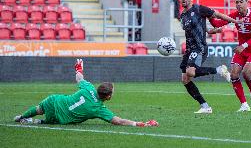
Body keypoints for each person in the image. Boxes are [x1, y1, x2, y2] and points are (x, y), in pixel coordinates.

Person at [14, 59, 158, 127]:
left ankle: (22, 116)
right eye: (112, 92)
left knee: (39, 109)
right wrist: (139, 124)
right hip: (61, 119)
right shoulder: (99, 109)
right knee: (47, 121)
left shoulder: (89, 88)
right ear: (107, 97)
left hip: (54, 101)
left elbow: (79, 78)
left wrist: (79, 68)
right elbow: (118, 121)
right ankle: (34, 121)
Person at [179, 0, 240, 114]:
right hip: (189, 49)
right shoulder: (183, 15)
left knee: (190, 72)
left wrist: (235, 21)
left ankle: (219, 70)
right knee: (185, 78)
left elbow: (218, 15)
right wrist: (213, 31)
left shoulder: (199, 9)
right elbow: (205, 30)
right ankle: (205, 106)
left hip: (199, 47)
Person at [210, 0, 251, 112]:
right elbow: (218, 23)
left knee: (246, 73)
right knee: (234, 74)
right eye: (236, 2)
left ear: (247, 2)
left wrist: (243, 45)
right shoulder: (234, 15)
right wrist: (210, 15)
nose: (238, 4)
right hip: (242, 50)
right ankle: (244, 105)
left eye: (241, 2)